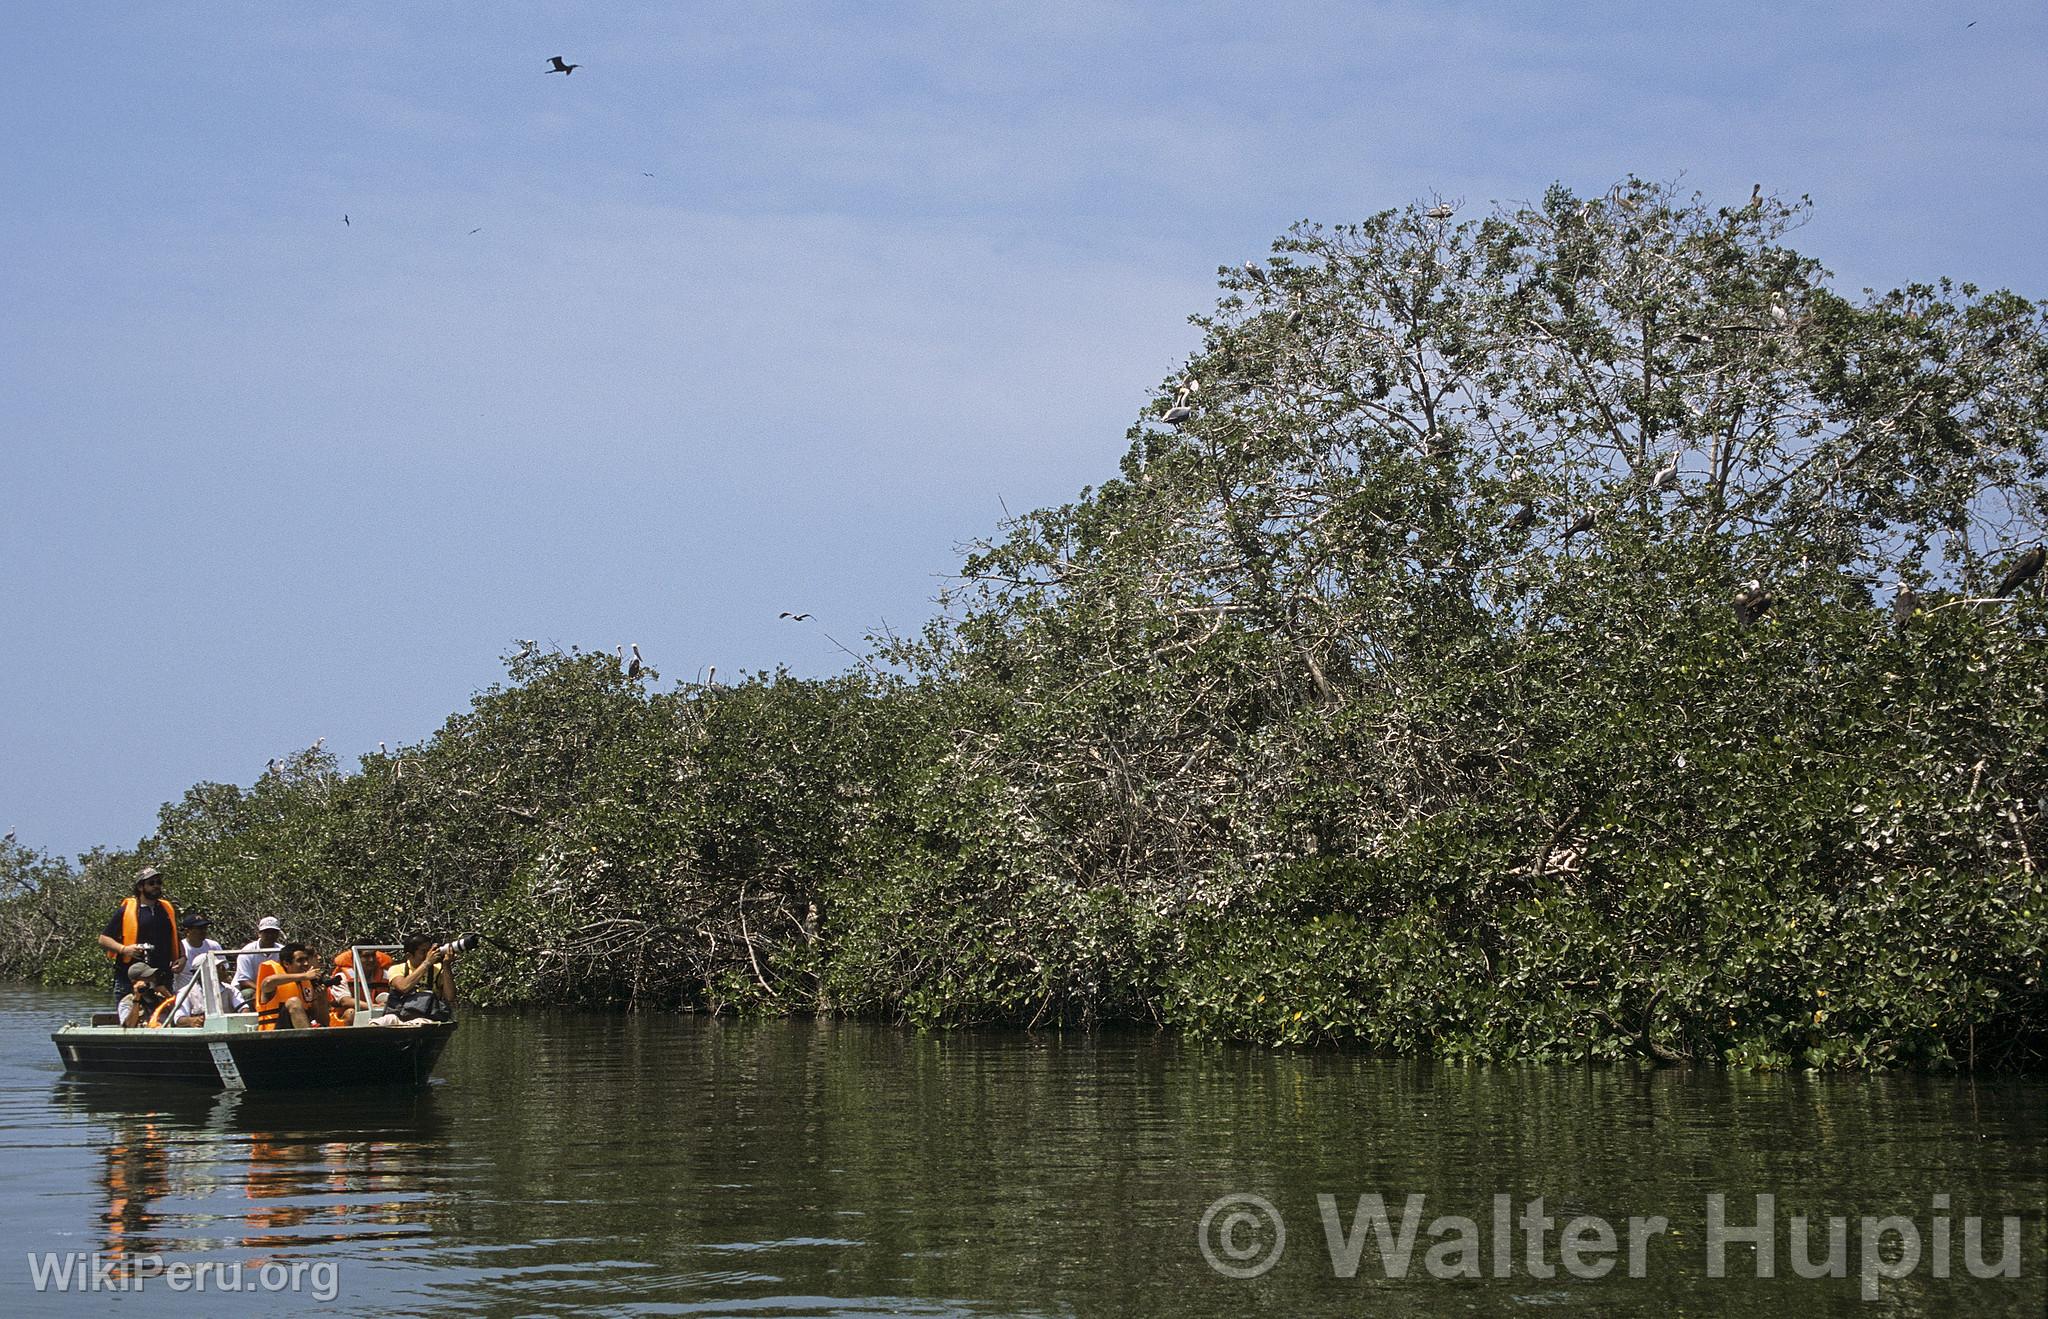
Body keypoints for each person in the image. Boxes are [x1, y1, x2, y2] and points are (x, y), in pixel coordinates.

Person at [97, 866, 181, 1001]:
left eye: (159, 882)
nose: (156, 886)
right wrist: (124, 949)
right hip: (129, 978)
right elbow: (103, 939)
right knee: (130, 1018)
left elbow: (175, 938)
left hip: (162, 977)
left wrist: (182, 958)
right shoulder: (126, 910)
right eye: (151, 883)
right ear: (141, 887)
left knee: (162, 1018)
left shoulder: (166, 909)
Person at [253, 942, 330, 1031]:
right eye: (300, 960)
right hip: (274, 1035)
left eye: (306, 959)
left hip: (299, 1034)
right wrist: (305, 976)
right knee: (294, 1002)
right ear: (286, 963)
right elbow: (267, 982)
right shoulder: (274, 983)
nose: (306, 964)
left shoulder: (308, 984)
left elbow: (323, 1022)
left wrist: (322, 1000)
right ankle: (310, 1041)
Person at [382, 933, 458, 1021]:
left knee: (420, 1021)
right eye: (423, 952)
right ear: (409, 956)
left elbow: (450, 997)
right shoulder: (397, 969)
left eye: (429, 951)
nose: (429, 955)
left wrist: (446, 966)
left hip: (428, 1017)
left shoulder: (438, 969)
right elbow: (403, 987)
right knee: (386, 1020)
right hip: (400, 1015)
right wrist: (427, 963)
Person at [234, 916, 286, 1005]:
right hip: (252, 988)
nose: (270, 935)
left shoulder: (282, 950)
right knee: (249, 993)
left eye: (273, 932)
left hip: (275, 987)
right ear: (259, 934)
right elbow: (244, 981)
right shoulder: (247, 951)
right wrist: (263, 989)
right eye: (266, 932)